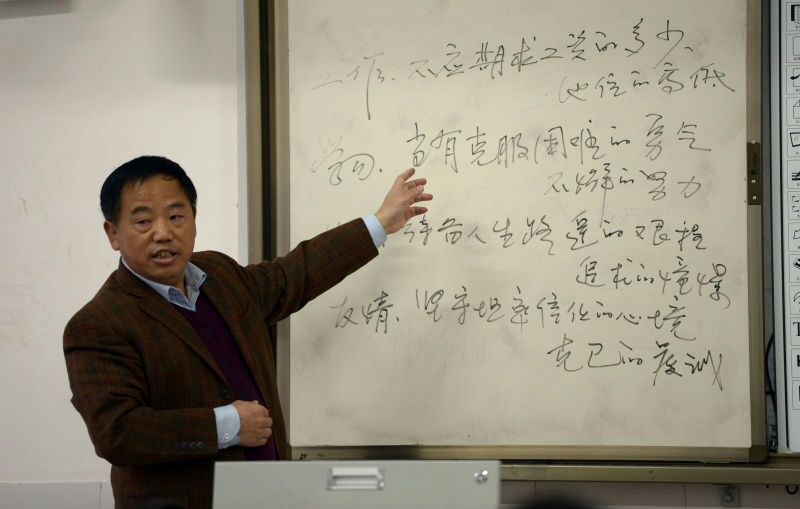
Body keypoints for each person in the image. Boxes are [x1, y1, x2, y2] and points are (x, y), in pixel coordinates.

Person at [63, 155, 432, 509]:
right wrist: (226, 425)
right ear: (113, 233)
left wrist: (379, 223)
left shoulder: (220, 276)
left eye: (176, 216)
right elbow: (118, 432)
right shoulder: (99, 324)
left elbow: (293, 275)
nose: (163, 233)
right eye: (143, 222)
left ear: (193, 220)